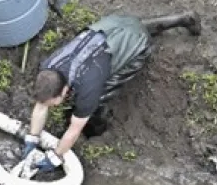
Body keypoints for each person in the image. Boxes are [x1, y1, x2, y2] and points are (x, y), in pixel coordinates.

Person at [23, 12, 202, 172]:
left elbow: (74, 129)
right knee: (133, 27)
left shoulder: (88, 87)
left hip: (134, 45)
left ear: (63, 89)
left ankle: (97, 128)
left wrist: (55, 157)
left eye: (54, 102)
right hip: (112, 24)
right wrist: (32, 139)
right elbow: (40, 106)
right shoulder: (48, 68)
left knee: (103, 95)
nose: (52, 106)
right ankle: (179, 19)